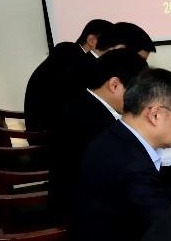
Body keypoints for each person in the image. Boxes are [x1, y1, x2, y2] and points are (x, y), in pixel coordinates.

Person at [64, 67, 171, 241]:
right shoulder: (129, 165)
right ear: (155, 114)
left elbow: (158, 191)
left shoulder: (118, 138)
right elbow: (169, 229)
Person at [46, 48, 148, 218]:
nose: (141, 101)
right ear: (114, 85)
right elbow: (124, 165)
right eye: (139, 93)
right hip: (84, 211)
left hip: (87, 196)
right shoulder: (89, 120)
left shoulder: (87, 102)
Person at [23, 18, 113, 132]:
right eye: (111, 45)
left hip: (43, 125)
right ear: (91, 40)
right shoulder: (72, 57)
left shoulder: (68, 52)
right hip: (47, 132)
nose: (113, 51)